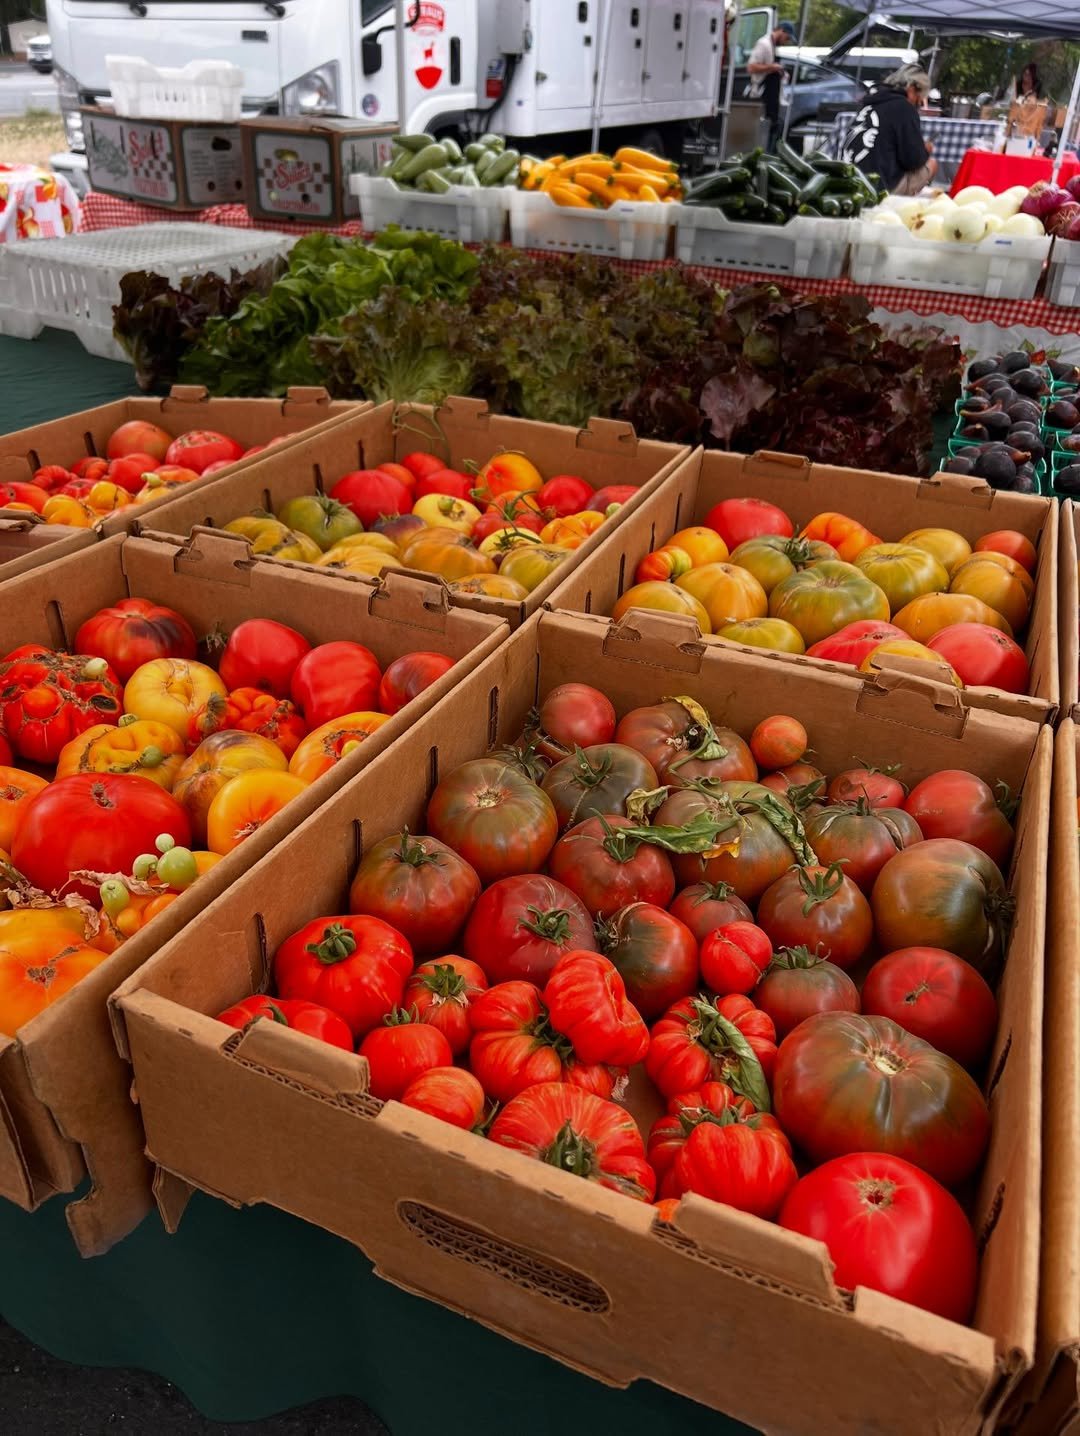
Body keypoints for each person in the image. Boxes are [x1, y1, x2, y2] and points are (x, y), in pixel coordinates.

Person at [841, 64, 937, 195]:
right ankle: (901, 203)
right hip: (879, 189)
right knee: (932, 164)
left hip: (847, 182)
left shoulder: (869, 103)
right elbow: (912, 161)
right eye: (919, 100)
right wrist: (925, 151)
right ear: (912, 89)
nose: (918, 105)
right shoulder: (905, 107)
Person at [748, 20, 796, 151]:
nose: (786, 41)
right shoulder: (764, 44)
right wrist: (772, 67)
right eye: (787, 38)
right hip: (761, 95)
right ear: (782, 31)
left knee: (773, 127)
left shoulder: (772, 45)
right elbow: (751, 67)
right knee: (763, 130)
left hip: (771, 97)